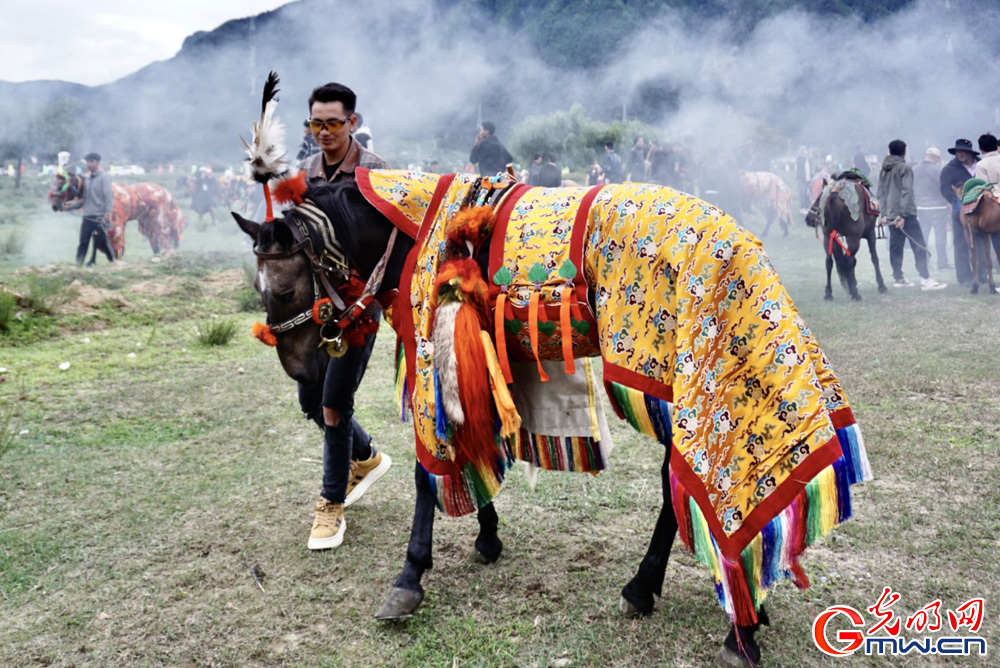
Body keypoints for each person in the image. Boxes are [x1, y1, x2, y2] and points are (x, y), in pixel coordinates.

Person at [297, 82, 393, 551]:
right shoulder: (305, 173)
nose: (323, 132)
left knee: (334, 404)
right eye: (315, 123)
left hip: (359, 308)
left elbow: (401, 239)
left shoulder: (377, 173)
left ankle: (331, 504)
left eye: (332, 123)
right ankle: (367, 457)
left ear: (352, 123)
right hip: (314, 308)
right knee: (310, 401)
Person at [876, 139, 946, 291]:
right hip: (905, 214)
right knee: (919, 244)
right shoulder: (905, 168)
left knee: (896, 246)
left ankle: (898, 277)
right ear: (904, 152)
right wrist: (902, 214)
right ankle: (925, 279)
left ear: (889, 151)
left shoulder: (884, 169)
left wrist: (884, 213)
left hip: (890, 215)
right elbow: (906, 192)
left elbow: (880, 192)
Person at [939, 138, 985, 286]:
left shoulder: (981, 165)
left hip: (982, 211)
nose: (960, 154)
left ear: (970, 152)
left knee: (980, 244)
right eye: (957, 151)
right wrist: (955, 199)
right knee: (960, 244)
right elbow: (944, 189)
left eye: (963, 151)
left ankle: (982, 275)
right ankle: (964, 277)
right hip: (960, 212)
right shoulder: (949, 169)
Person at [64, 152, 115, 266]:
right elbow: (84, 199)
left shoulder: (104, 177)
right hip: (87, 217)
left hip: (99, 217)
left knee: (103, 242)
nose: (89, 164)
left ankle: (114, 263)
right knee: (83, 242)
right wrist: (70, 206)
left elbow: (108, 197)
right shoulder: (87, 180)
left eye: (91, 162)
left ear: (97, 163)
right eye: (87, 162)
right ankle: (78, 266)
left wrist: (107, 214)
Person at [912, 147, 950, 270]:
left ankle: (923, 261)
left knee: (923, 236)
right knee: (940, 236)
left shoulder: (914, 169)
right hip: (938, 206)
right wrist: (948, 203)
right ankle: (942, 263)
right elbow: (944, 188)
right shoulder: (938, 170)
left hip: (921, 207)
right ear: (935, 157)